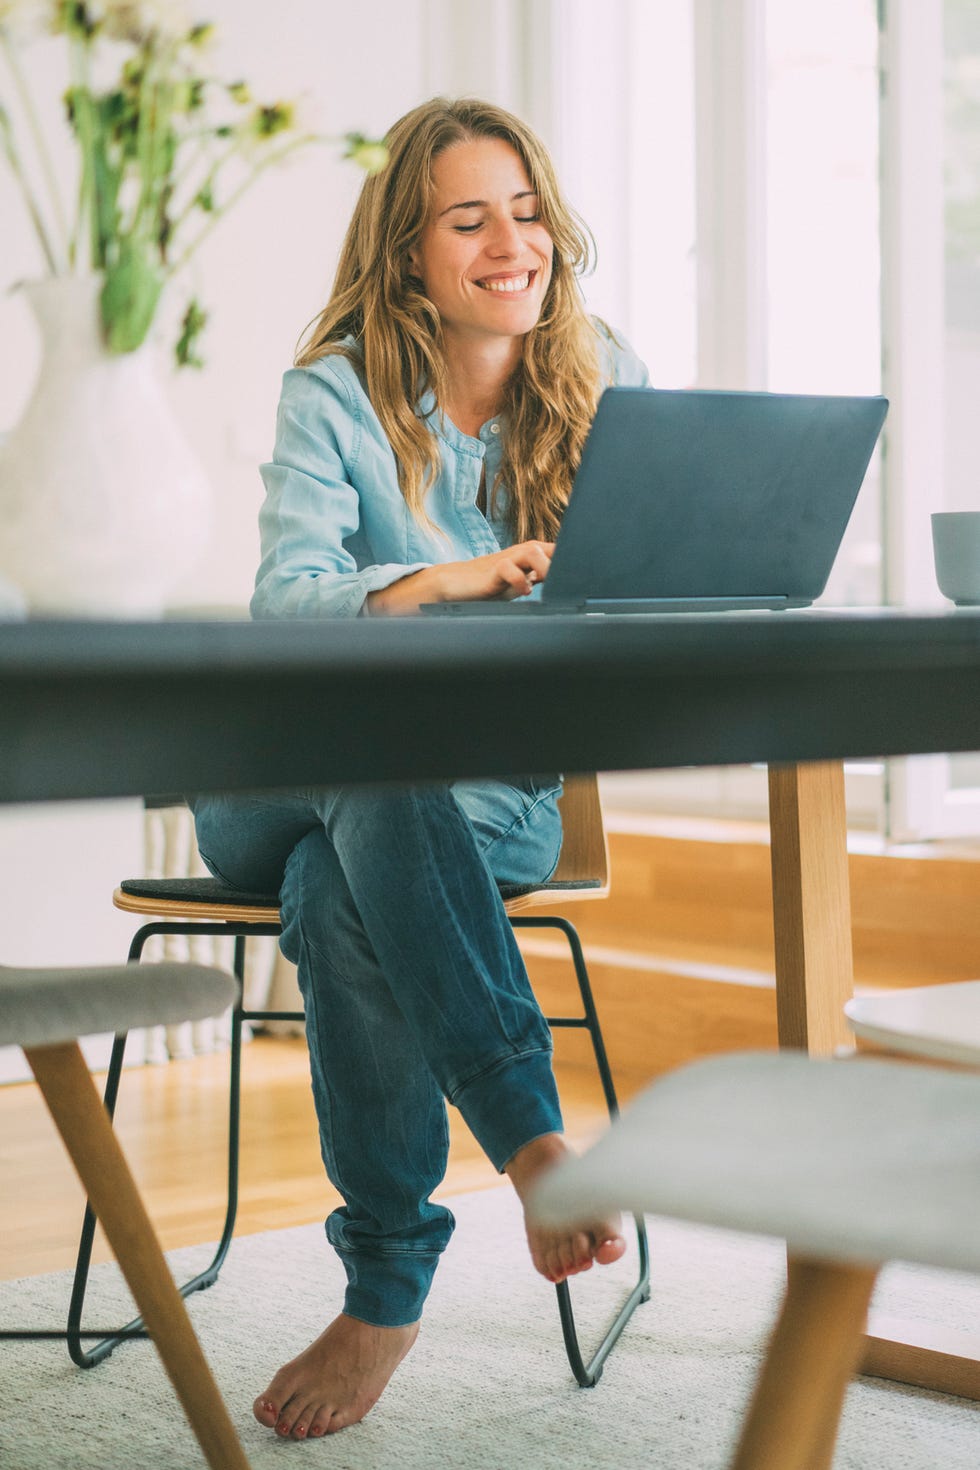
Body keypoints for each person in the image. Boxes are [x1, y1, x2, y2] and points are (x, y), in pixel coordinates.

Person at [191, 95, 649, 1442]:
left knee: (348, 890)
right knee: (361, 766)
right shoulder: (332, 392)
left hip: (495, 797)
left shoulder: (607, 372)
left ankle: (385, 1278)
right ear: (410, 255)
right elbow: (287, 606)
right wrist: (446, 581)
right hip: (280, 777)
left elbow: (660, 592)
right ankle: (531, 1139)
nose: (512, 241)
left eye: (526, 210)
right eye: (469, 218)